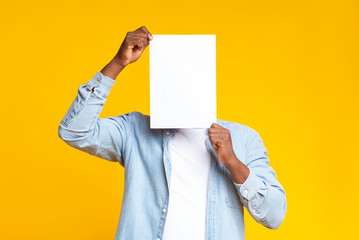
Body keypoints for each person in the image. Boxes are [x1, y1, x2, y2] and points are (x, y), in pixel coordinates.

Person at [58, 26, 287, 240]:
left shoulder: (243, 138)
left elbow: (274, 215)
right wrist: (117, 63)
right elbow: (73, 131)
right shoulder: (135, 131)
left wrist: (232, 162)